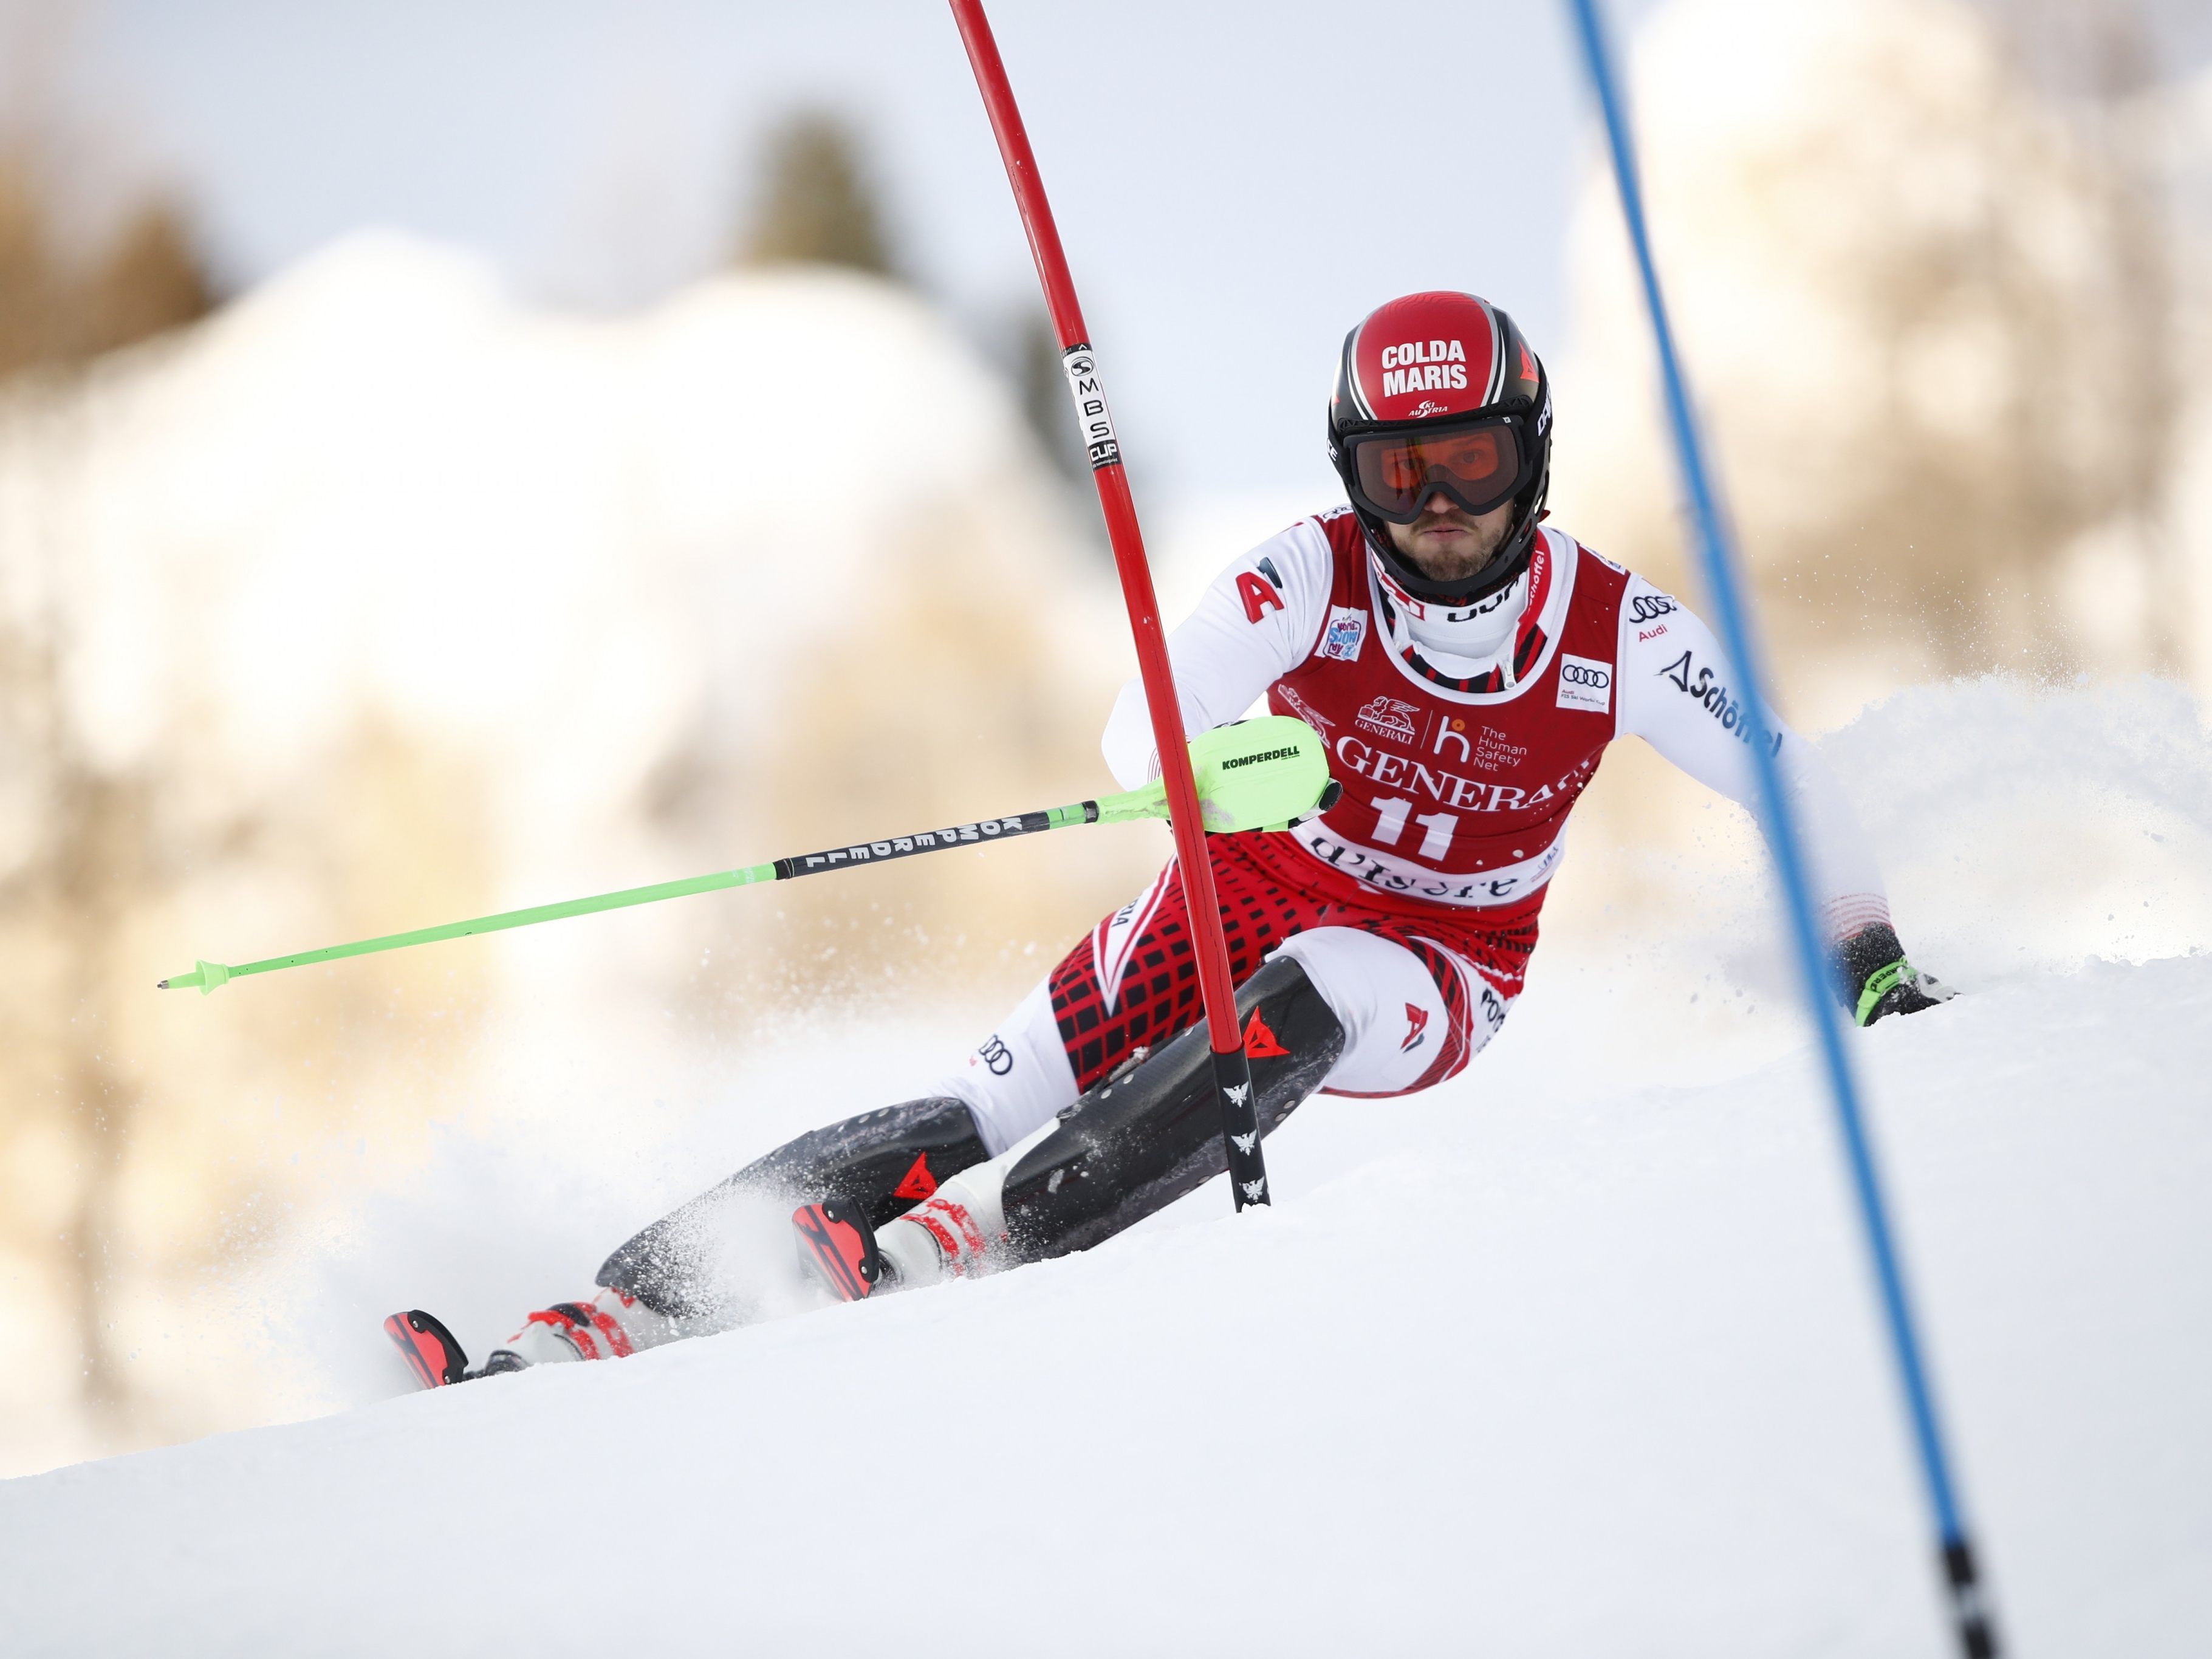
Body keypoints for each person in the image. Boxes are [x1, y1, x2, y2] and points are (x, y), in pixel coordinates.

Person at [386, 290, 1951, 1389]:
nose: (1439, 509)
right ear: (1355, 471)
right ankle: (607, 1307)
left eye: (1469, 460)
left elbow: (1788, 777)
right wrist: (1212, 777)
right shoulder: (1313, 572)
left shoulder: (1617, 627)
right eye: (1402, 471)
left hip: (1434, 965)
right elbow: (1147, 725)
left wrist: (1868, 957)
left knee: (1323, 979)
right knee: (976, 1097)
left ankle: (994, 1233)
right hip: (1227, 891)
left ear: (1529, 453)